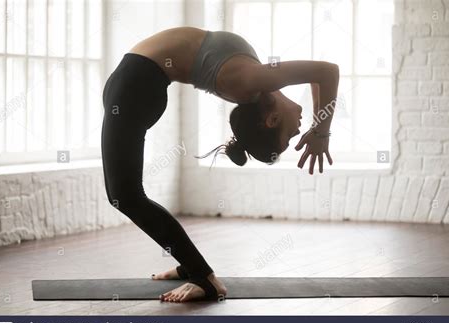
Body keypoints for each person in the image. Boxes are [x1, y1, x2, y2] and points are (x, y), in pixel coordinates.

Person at [101, 26, 339, 302]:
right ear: (271, 120)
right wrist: (320, 131)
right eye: (292, 136)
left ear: (271, 121)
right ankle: (195, 269)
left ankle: (202, 276)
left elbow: (324, 73)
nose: (299, 129)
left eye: (292, 134)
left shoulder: (253, 82)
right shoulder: (254, 81)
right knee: (125, 196)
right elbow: (325, 73)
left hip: (135, 85)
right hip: (135, 84)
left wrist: (320, 129)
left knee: (125, 197)